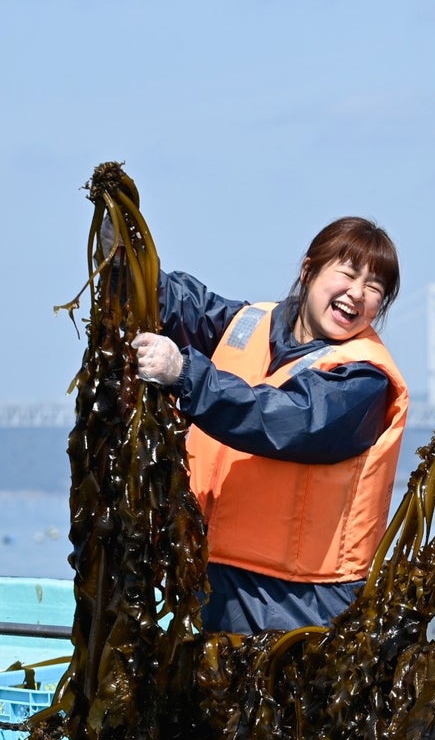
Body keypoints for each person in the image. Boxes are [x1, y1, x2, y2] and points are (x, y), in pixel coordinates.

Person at [129, 217, 409, 633]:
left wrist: (186, 373)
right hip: (215, 573)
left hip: (302, 600)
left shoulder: (364, 379)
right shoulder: (250, 322)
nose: (357, 293)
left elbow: (289, 418)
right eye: (348, 273)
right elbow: (184, 305)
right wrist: (124, 258)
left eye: (374, 288)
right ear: (309, 269)